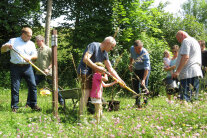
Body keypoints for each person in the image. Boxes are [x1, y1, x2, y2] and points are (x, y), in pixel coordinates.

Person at [77, 36, 125, 116]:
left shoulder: (105, 53)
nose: (112, 49)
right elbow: (85, 59)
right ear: (107, 43)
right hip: (84, 72)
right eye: (112, 47)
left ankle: (98, 114)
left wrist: (120, 80)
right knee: (86, 93)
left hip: (93, 74)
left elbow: (110, 68)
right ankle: (81, 116)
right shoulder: (93, 45)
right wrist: (97, 68)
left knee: (96, 94)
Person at [1, 27, 41, 112]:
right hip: (15, 67)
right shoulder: (13, 41)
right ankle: (14, 107)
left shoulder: (31, 44)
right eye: (29, 36)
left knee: (33, 85)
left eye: (31, 36)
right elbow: (2, 50)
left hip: (27, 67)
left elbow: (35, 56)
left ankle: (33, 104)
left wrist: (30, 57)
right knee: (15, 87)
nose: (30, 37)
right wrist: (6, 46)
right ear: (23, 34)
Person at [26, 35, 64, 107]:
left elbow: (54, 61)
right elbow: (34, 60)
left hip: (48, 73)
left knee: (55, 87)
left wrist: (48, 68)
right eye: (36, 41)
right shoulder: (37, 51)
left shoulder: (49, 49)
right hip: (38, 73)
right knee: (32, 86)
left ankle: (61, 102)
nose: (37, 43)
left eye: (38, 41)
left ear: (42, 41)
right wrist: (29, 62)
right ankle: (28, 103)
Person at [172, 30, 202, 105]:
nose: (179, 41)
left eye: (179, 39)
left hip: (188, 73)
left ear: (182, 35)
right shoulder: (194, 41)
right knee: (194, 100)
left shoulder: (186, 41)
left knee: (185, 100)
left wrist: (177, 72)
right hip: (196, 72)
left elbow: (185, 57)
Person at [129, 40, 150, 108]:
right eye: (137, 49)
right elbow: (131, 57)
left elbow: (147, 68)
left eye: (140, 48)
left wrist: (143, 79)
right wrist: (131, 65)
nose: (139, 50)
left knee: (144, 86)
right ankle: (137, 103)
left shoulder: (145, 53)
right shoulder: (132, 48)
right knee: (135, 86)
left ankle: (145, 103)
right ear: (134, 47)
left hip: (144, 70)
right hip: (136, 69)